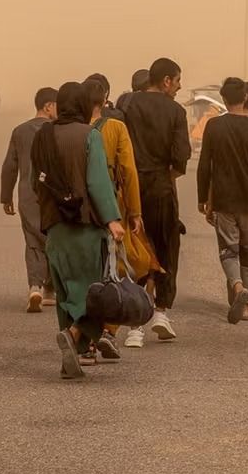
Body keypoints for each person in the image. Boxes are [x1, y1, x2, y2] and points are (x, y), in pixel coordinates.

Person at [30, 81, 125, 380]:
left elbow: (35, 182)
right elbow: (97, 182)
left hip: (54, 228)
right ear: (83, 105)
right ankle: (73, 337)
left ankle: (68, 360)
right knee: (95, 294)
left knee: (66, 294)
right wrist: (112, 218)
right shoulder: (89, 135)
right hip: (85, 229)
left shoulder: (42, 135)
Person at [83, 78, 156, 354]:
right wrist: (135, 211)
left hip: (78, 209)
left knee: (87, 270)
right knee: (115, 267)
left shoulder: (72, 129)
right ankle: (108, 330)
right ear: (105, 99)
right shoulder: (115, 127)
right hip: (112, 206)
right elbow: (128, 171)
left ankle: (84, 334)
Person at [123, 57, 191, 341]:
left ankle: (134, 326)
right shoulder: (175, 111)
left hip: (131, 189)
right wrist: (165, 176)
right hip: (162, 188)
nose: (179, 86)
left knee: (135, 252)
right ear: (166, 81)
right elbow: (181, 157)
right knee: (166, 248)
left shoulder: (127, 105)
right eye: (177, 81)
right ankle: (161, 311)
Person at [197, 77, 248, 324]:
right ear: (245, 98)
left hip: (224, 199)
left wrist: (202, 197)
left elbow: (205, 164)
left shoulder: (214, 126)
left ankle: (238, 287)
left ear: (224, 99)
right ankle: (247, 306)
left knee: (228, 249)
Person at [1, 87, 59, 313]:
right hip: (53, 195)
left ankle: (35, 287)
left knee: (33, 241)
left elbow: (10, 166)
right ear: (48, 106)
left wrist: (6, 196)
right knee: (54, 239)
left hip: (27, 195)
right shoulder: (57, 130)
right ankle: (50, 290)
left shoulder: (20, 131)